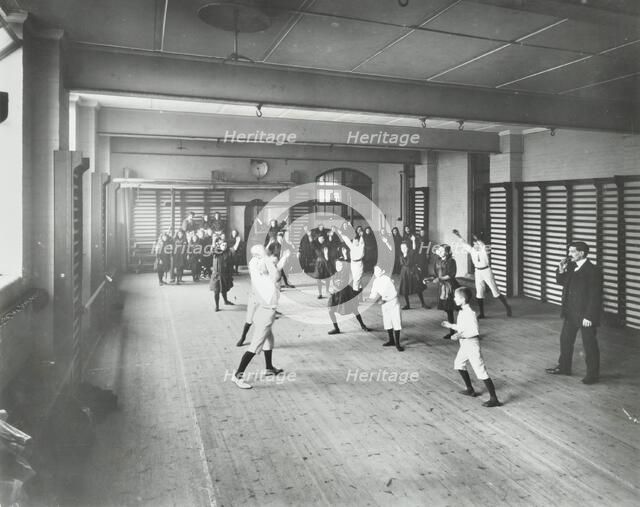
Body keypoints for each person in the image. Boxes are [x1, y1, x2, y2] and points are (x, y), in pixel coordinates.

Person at [232, 245, 290, 389]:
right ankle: (237, 376)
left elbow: (275, 269)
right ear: (258, 257)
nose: (269, 258)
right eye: (264, 255)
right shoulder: (261, 269)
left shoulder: (256, 266)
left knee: (269, 340)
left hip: (262, 312)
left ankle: (269, 368)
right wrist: (268, 258)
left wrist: (283, 258)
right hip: (266, 313)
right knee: (254, 346)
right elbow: (276, 275)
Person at [546, 241, 603, 384]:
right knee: (565, 340)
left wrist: (589, 316)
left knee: (589, 345)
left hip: (585, 315)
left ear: (581, 253)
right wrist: (560, 269)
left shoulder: (593, 270)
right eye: (569, 251)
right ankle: (564, 367)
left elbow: (595, 296)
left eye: (572, 252)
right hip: (570, 312)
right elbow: (561, 282)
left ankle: (592, 375)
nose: (569, 254)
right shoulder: (571, 266)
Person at [441, 287, 502, 407]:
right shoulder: (462, 311)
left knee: (480, 371)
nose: (454, 298)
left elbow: (474, 331)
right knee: (458, 363)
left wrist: (459, 335)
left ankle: (494, 399)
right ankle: (470, 389)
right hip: (465, 344)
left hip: (472, 344)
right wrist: (451, 325)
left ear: (462, 299)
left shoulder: (471, 313)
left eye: (456, 297)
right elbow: (462, 327)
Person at [452, 229, 512, 318]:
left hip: (487, 271)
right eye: (474, 244)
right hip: (478, 272)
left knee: (495, 291)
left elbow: (483, 245)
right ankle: (482, 313)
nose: (475, 245)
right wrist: (458, 235)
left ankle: (507, 307)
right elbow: (464, 244)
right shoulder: (472, 250)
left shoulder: (484, 251)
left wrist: (478, 240)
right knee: (479, 293)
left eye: (476, 244)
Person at [327, 258, 370, 335]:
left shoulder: (345, 273)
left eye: (340, 265)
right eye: (337, 265)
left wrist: (334, 287)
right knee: (330, 311)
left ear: (343, 265)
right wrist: (332, 288)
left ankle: (363, 325)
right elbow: (333, 283)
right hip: (336, 295)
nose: (338, 266)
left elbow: (341, 285)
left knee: (354, 310)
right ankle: (336, 328)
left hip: (346, 294)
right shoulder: (335, 273)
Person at [369, 265, 404, 352]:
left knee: (396, 321)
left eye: (378, 271)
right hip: (385, 304)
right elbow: (373, 292)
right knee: (387, 321)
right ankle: (391, 340)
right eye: (375, 271)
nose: (376, 273)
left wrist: (384, 299)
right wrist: (370, 298)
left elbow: (394, 293)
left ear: (383, 271)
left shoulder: (387, 280)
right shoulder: (376, 281)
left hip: (393, 303)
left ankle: (397, 343)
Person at [432, 244, 459, 339]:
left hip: (450, 287)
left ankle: (465, 330)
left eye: (442, 250)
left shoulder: (451, 261)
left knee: (456, 309)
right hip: (443, 287)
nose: (439, 252)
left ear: (447, 252)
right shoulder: (437, 261)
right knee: (448, 310)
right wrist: (430, 279)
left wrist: (439, 279)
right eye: (438, 250)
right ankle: (452, 331)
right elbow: (436, 274)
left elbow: (451, 275)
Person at [397, 241, 428, 309]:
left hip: (412, 272)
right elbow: (403, 264)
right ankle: (407, 305)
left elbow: (409, 262)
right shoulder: (401, 255)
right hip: (404, 273)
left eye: (405, 247)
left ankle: (423, 303)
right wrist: (404, 255)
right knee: (405, 288)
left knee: (418, 288)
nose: (403, 249)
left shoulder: (411, 253)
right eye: (402, 248)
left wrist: (414, 241)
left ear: (408, 248)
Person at [209, 239, 235, 311]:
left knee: (224, 289)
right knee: (216, 290)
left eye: (226, 245)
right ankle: (217, 306)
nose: (224, 246)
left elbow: (230, 265)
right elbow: (212, 251)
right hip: (216, 275)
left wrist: (230, 275)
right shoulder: (216, 252)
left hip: (225, 274)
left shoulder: (228, 253)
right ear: (219, 246)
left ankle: (226, 301)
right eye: (223, 245)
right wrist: (213, 241)